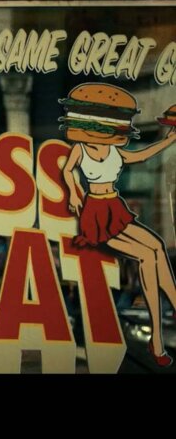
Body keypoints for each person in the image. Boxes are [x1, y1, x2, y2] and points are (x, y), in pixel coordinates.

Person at [60, 83, 176, 366]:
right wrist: (73, 191)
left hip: (115, 207)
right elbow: (67, 170)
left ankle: (170, 312)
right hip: (96, 214)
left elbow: (143, 155)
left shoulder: (115, 151)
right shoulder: (80, 148)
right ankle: (157, 342)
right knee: (147, 255)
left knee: (157, 247)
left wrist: (169, 140)